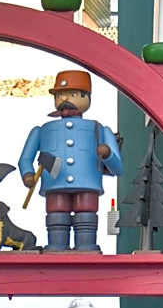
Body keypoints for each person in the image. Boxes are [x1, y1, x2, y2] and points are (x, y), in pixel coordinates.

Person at [18, 70, 122, 252]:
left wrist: (107, 154)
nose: (65, 99)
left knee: (87, 217)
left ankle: (86, 247)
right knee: (56, 218)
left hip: (87, 184)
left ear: (87, 97)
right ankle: (57, 247)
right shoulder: (42, 130)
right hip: (54, 184)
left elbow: (118, 168)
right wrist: (28, 174)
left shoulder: (99, 129)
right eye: (61, 95)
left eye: (73, 94)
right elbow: (25, 158)